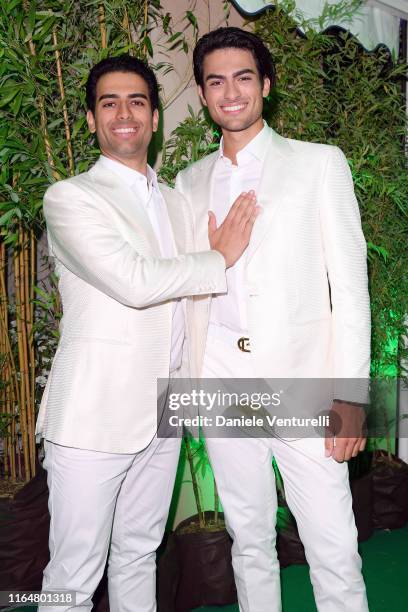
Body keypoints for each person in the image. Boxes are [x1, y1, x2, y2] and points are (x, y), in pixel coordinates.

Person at [35, 54, 259, 612]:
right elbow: (135, 282)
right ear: (91, 119)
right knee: (73, 573)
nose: (123, 113)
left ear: (155, 117)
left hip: (165, 408)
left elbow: (195, 307)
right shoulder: (71, 198)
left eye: (137, 101)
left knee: (138, 553)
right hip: (93, 414)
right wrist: (217, 256)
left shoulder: (181, 203)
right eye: (108, 103)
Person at [176, 28, 371, 612]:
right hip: (220, 381)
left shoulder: (319, 164)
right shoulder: (188, 183)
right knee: (248, 540)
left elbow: (352, 289)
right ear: (204, 95)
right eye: (216, 81)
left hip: (305, 384)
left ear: (265, 84)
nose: (230, 92)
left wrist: (353, 395)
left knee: (333, 544)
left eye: (243, 77)